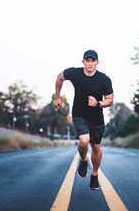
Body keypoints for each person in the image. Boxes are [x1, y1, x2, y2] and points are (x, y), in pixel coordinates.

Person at [54, 50, 114, 190]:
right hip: (79, 114)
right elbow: (59, 77)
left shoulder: (104, 79)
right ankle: (83, 160)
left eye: (93, 61)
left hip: (96, 118)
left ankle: (94, 174)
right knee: (84, 140)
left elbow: (110, 100)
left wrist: (98, 103)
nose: (90, 64)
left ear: (97, 63)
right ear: (83, 62)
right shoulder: (75, 73)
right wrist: (57, 97)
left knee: (96, 147)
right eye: (87, 61)